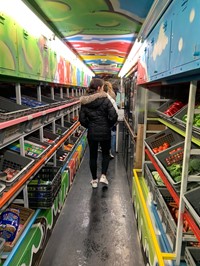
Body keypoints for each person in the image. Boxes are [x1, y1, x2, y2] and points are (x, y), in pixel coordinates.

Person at [79, 78, 118, 188]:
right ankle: (103, 176)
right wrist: (108, 125)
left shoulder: (85, 102)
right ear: (99, 88)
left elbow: (82, 119)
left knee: (93, 156)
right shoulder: (106, 100)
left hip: (92, 133)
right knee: (105, 154)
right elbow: (114, 116)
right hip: (105, 132)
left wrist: (90, 125)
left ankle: (94, 180)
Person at [103, 81, 118, 158]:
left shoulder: (96, 98)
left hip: (99, 124)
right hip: (109, 122)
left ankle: (103, 149)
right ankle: (109, 152)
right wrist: (113, 122)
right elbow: (115, 112)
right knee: (111, 135)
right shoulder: (112, 96)